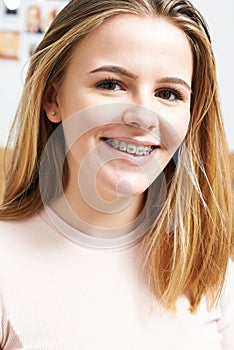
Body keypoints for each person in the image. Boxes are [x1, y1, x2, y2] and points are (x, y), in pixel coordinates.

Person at [0, 0, 233, 348]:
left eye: (168, 93)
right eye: (111, 84)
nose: (142, 116)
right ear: (53, 99)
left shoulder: (212, 273)